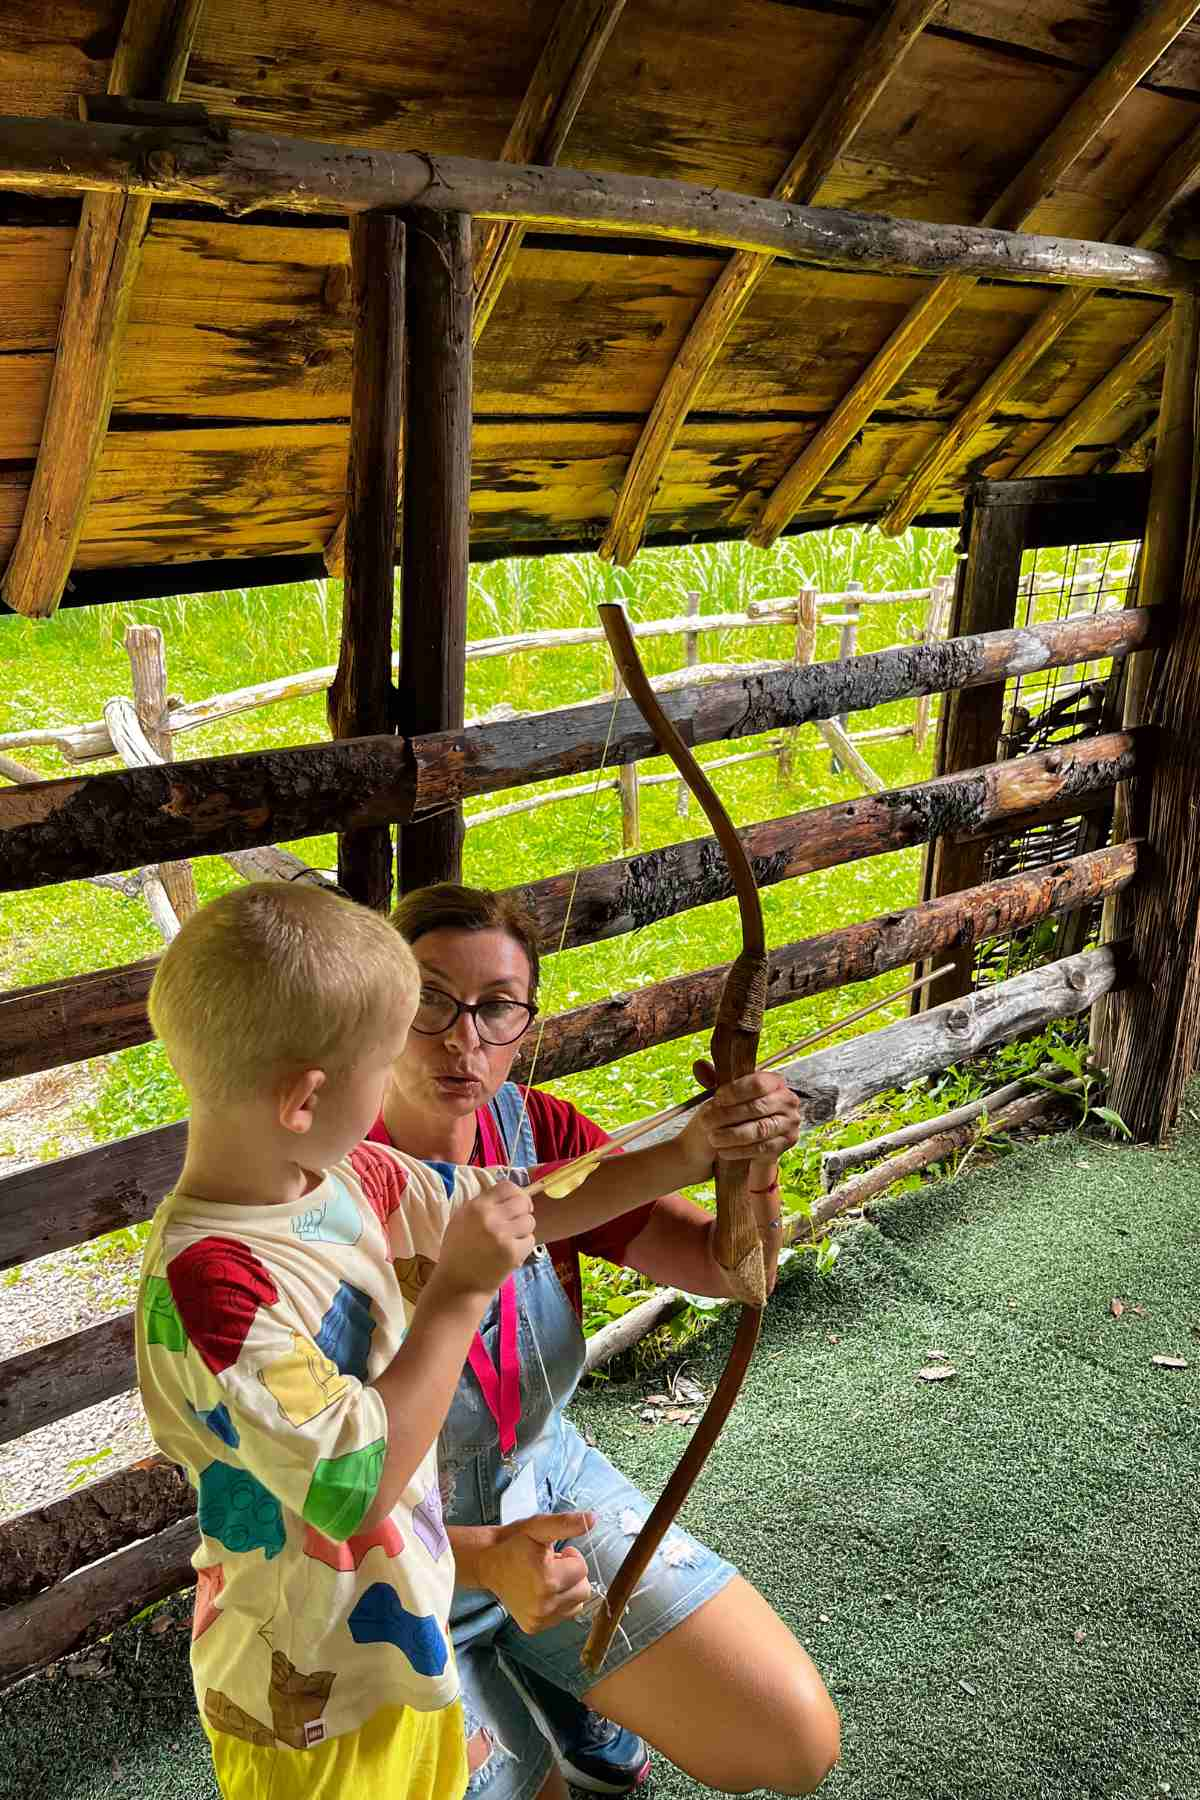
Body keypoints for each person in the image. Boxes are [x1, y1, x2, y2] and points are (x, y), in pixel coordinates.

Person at [134, 881, 761, 1800]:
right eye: (386, 1055)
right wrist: (462, 1290)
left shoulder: (335, 1171)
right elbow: (353, 1486)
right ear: (308, 1097)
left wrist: (691, 1148)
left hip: (404, 1626)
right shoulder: (213, 1282)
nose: (429, 1059)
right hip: (310, 1698)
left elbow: (515, 1202)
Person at [370, 884, 840, 1800]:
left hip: (549, 1497)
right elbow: (311, 1482)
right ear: (375, 996)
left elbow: (729, 1271)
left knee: (791, 1739)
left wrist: (754, 1158)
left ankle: (551, 1670)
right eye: (430, 998)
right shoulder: (322, 1169)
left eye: (498, 1007)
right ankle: (527, 1688)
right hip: (387, 1555)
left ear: (525, 1019)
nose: (464, 1040)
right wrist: (479, 1561)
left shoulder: (539, 1128)